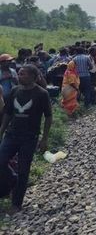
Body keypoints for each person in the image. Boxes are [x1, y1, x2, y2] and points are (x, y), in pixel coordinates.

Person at [0, 64, 52, 214]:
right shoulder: (14, 91)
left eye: (23, 74)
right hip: (11, 135)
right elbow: (8, 113)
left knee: (24, 169)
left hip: (29, 137)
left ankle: (16, 204)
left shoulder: (42, 94)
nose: (19, 75)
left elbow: (48, 116)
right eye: (19, 73)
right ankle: (11, 180)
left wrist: (45, 138)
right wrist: (1, 131)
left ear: (33, 77)